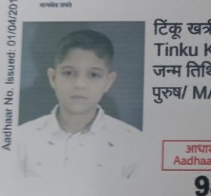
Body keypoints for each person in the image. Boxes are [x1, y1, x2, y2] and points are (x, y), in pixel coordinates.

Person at [17, 29, 144, 178]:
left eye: (94, 75)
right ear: (53, 78)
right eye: (68, 73)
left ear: (108, 82)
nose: (80, 84)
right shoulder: (21, 140)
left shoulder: (134, 144)